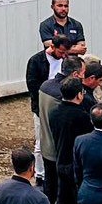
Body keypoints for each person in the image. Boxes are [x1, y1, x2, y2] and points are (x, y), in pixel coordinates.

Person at [48, 77, 93, 204]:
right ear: (79, 95)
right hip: (76, 166)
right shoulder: (82, 117)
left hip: (61, 162)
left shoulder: (54, 112)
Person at [25, 38, 65, 184]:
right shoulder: (36, 61)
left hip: (60, 103)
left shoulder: (64, 59)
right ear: (52, 47)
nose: (62, 55)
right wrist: (42, 102)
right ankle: (40, 175)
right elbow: (32, 85)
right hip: (42, 105)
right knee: (41, 141)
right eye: (60, 51)